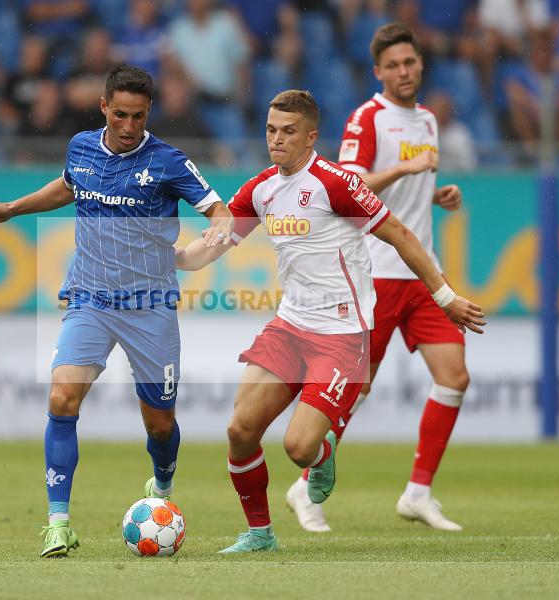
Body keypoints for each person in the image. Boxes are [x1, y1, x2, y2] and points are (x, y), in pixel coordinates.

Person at [174, 90, 485, 553]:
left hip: (341, 336)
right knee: (240, 431)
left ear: (311, 137)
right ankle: (260, 535)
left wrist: (444, 296)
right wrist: (176, 256)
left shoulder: (335, 184)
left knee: (299, 448)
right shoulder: (261, 189)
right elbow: (210, 248)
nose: (276, 139)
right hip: (289, 327)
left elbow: (400, 234)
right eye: (271, 130)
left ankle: (322, 457)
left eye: (288, 131)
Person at [0, 65, 232, 558]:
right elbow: (69, 187)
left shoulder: (168, 161)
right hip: (90, 298)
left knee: (160, 425)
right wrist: (12, 209)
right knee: (62, 397)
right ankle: (58, 523)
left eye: (139, 116)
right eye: (120, 115)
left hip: (150, 306)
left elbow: (218, 209)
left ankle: (162, 482)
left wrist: (217, 231)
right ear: (104, 107)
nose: (129, 126)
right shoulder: (82, 147)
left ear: (148, 113)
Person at [285, 22, 477, 533]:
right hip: (375, 272)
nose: (404, 71)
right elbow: (350, 183)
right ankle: (304, 485)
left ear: (421, 64)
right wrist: (406, 173)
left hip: (421, 271)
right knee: (354, 388)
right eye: (393, 65)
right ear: (378, 72)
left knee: (454, 376)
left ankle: (418, 493)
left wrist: (434, 193)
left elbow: (405, 192)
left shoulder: (428, 120)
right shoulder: (367, 118)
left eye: (410, 62)